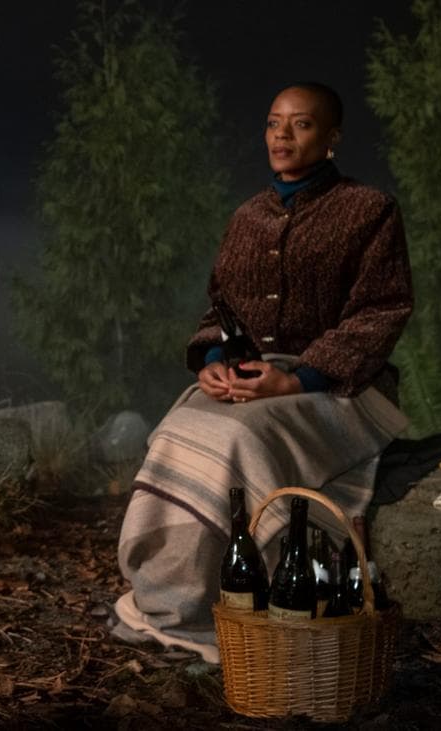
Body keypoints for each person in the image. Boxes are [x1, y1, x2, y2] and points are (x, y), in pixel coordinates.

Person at [111, 82, 413, 662]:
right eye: (274, 123)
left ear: (332, 138)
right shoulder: (247, 216)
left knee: (234, 438)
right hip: (251, 375)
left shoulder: (370, 211)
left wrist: (296, 380)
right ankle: (171, 600)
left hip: (337, 384)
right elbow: (218, 310)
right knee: (177, 433)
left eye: (300, 125)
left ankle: (244, 596)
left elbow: (383, 309)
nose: (282, 135)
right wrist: (214, 362)